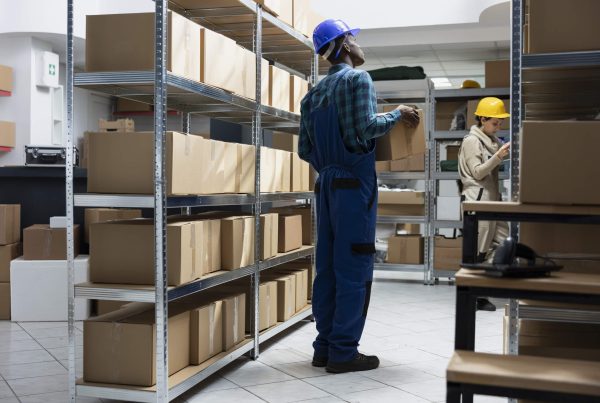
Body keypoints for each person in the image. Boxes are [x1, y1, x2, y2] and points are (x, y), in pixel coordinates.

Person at [298, 19, 419, 373]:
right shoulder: (358, 80)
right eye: (354, 37)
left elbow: (305, 149)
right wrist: (397, 113)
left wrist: (330, 164)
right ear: (345, 44)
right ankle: (343, 352)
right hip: (354, 185)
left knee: (328, 267)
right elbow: (366, 128)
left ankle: (324, 346)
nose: (358, 44)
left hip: (326, 186)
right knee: (354, 265)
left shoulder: (313, 94)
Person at [458, 97, 511, 311]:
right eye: (495, 122)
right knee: (478, 250)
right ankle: (476, 295)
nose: (498, 126)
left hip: (491, 199)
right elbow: (478, 172)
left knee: (502, 242)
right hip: (477, 200)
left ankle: (483, 287)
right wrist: (498, 156)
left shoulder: (492, 140)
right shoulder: (472, 141)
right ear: (482, 119)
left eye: (500, 122)